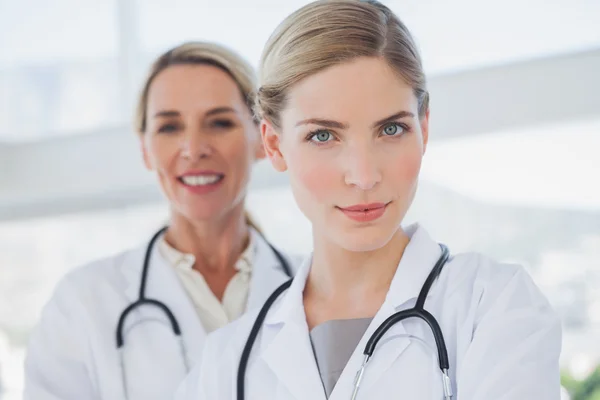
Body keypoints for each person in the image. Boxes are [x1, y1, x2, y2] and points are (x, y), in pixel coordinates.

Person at [174, 1, 563, 399]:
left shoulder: (494, 307)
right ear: (274, 145)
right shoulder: (226, 364)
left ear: (423, 128)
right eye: (323, 136)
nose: (363, 176)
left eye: (391, 129)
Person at [23, 41, 301, 400]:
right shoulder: (83, 303)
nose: (194, 147)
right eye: (170, 127)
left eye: (219, 122)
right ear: (145, 150)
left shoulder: (315, 291)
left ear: (264, 140)